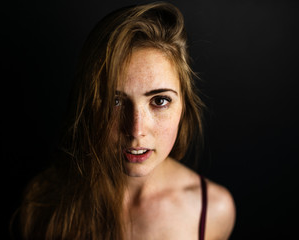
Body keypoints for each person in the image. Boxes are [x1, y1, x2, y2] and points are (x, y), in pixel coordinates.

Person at [17, 2, 235, 239]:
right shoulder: (45, 202)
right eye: (115, 101)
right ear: (89, 104)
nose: (136, 130)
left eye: (159, 101)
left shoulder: (212, 210)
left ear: (185, 105)